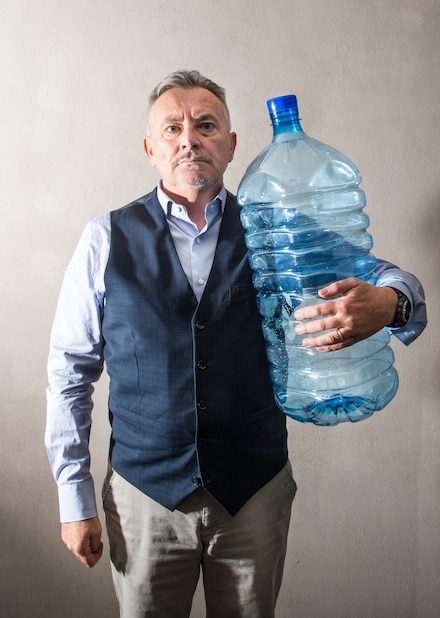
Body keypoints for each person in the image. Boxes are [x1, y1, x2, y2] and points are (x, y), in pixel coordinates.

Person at [45, 70, 427, 617]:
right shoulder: (104, 238)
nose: (189, 138)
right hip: (144, 497)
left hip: (254, 492)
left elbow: (391, 279)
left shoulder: (275, 228)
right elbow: (69, 373)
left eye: (206, 125)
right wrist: (73, 498)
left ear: (231, 145)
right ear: (151, 148)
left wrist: (391, 306)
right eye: (172, 128)